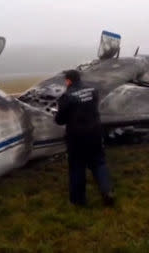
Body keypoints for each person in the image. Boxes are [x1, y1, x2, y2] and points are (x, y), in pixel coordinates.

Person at [54, 69, 115, 206]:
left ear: (68, 80)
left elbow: (60, 120)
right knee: (99, 163)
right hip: (95, 133)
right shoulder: (93, 90)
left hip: (77, 137)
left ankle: (78, 200)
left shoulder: (67, 96)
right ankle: (107, 190)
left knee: (77, 167)